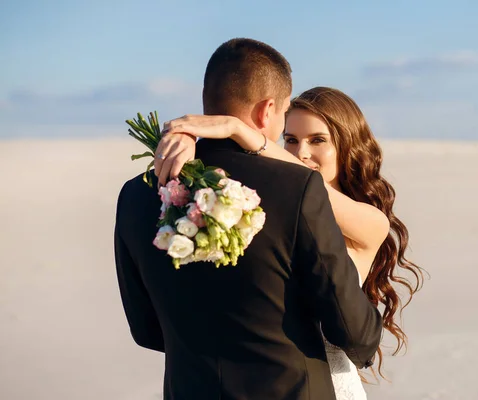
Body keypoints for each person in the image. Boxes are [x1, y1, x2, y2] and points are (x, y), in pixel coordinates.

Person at [114, 38, 383, 400]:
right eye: (288, 132)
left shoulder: (138, 195)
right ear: (268, 110)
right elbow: (355, 333)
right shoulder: (295, 191)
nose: (301, 152)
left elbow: (147, 330)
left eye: (317, 140)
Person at [155, 86, 424, 399]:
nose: (302, 153)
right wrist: (188, 140)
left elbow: (309, 190)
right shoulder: (272, 210)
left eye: (317, 140)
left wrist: (240, 130)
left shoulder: (370, 221)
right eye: (291, 140)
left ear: (347, 147)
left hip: (333, 388)